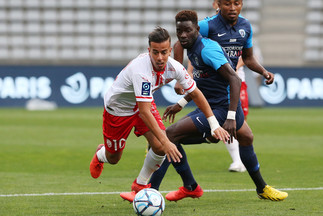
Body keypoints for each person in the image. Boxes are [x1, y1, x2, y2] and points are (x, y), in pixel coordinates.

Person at [148, 9, 288, 202]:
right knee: (246, 137)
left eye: (187, 31)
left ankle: (150, 191)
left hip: (222, 109)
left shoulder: (207, 49)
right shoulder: (194, 49)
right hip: (210, 106)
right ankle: (260, 188)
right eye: (179, 32)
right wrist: (180, 103)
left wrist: (230, 117)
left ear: (197, 29)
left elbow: (235, 80)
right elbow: (203, 84)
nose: (183, 35)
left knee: (167, 136)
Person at [89, 27, 230, 198]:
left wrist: (214, 124)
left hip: (143, 103)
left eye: (164, 52)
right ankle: (101, 153)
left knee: (159, 146)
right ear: (149, 51)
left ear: (170, 51)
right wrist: (167, 141)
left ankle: (140, 186)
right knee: (114, 158)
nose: (160, 57)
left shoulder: (175, 67)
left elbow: (196, 93)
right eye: (155, 52)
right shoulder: (141, 70)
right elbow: (144, 112)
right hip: (119, 110)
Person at [173, 0, 275, 172]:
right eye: (227, 3)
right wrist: (180, 76)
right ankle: (237, 164)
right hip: (214, 88)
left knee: (245, 134)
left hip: (233, 83)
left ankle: (257, 182)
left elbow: (248, 58)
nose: (233, 8)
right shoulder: (207, 25)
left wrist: (264, 72)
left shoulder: (245, 26)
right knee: (234, 128)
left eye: (237, 3)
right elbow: (181, 43)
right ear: (218, 5)